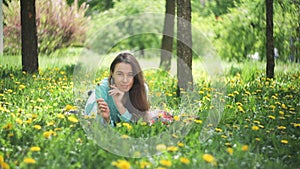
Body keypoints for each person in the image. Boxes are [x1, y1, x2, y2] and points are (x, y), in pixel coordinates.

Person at [85, 52, 151, 126]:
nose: (125, 80)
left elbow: (139, 124)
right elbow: (96, 124)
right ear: (112, 73)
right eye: (120, 74)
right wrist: (107, 120)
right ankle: (91, 93)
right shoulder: (101, 88)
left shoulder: (142, 88)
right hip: (93, 103)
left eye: (130, 75)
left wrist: (120, 105)